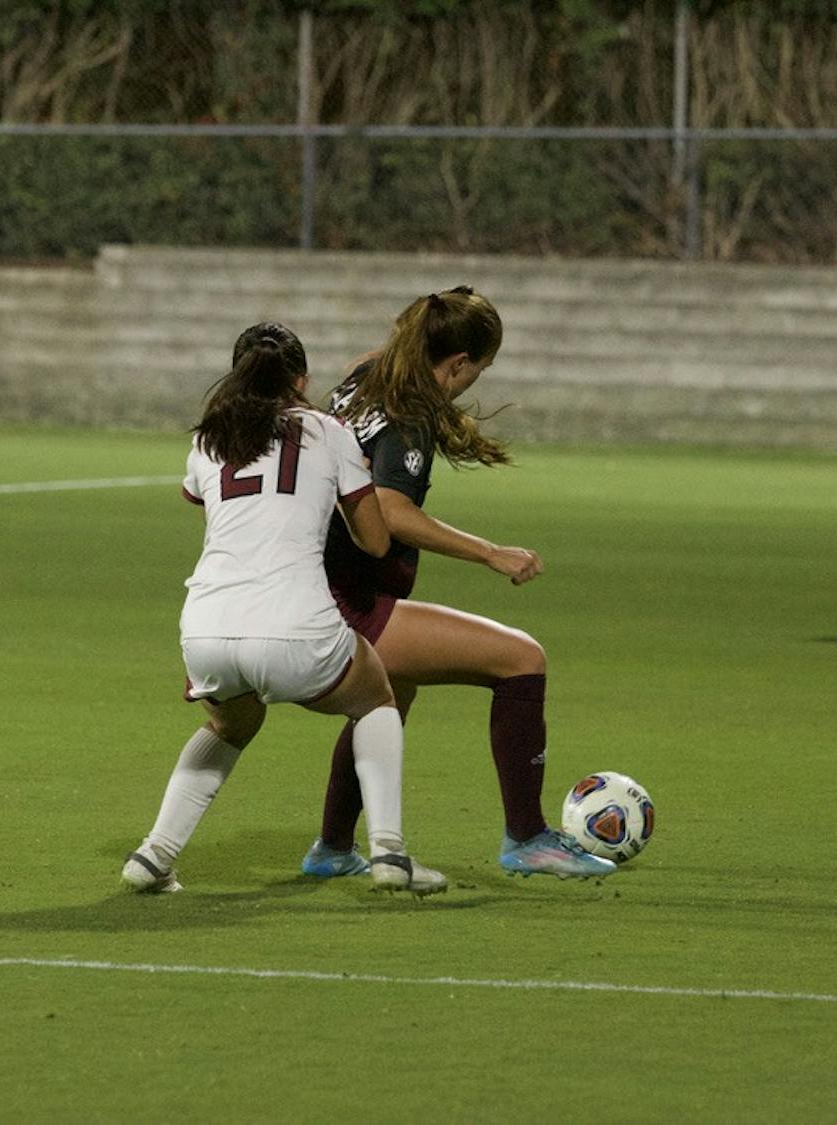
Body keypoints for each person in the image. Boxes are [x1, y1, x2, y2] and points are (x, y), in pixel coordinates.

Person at [297, 288, 616, 881]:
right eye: (480, 369)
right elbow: (391, 509)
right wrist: (491, 553)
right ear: (459, 362)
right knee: (522, 659)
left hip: (318, 583)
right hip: (349, 604)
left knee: (389, 695)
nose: (475, 383)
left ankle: (332, 849)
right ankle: (527, 837)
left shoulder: (365, 375)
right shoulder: (410, 408)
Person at [121, 323, 448, 896]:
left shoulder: (208, 440)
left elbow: (217, 520)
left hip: (206, 628)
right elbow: (374, 542)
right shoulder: (329, 431)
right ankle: (389, 853)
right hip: (296, 625)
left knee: (232, 723)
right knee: (376, 696)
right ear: (301, 379)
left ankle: (153, 856)